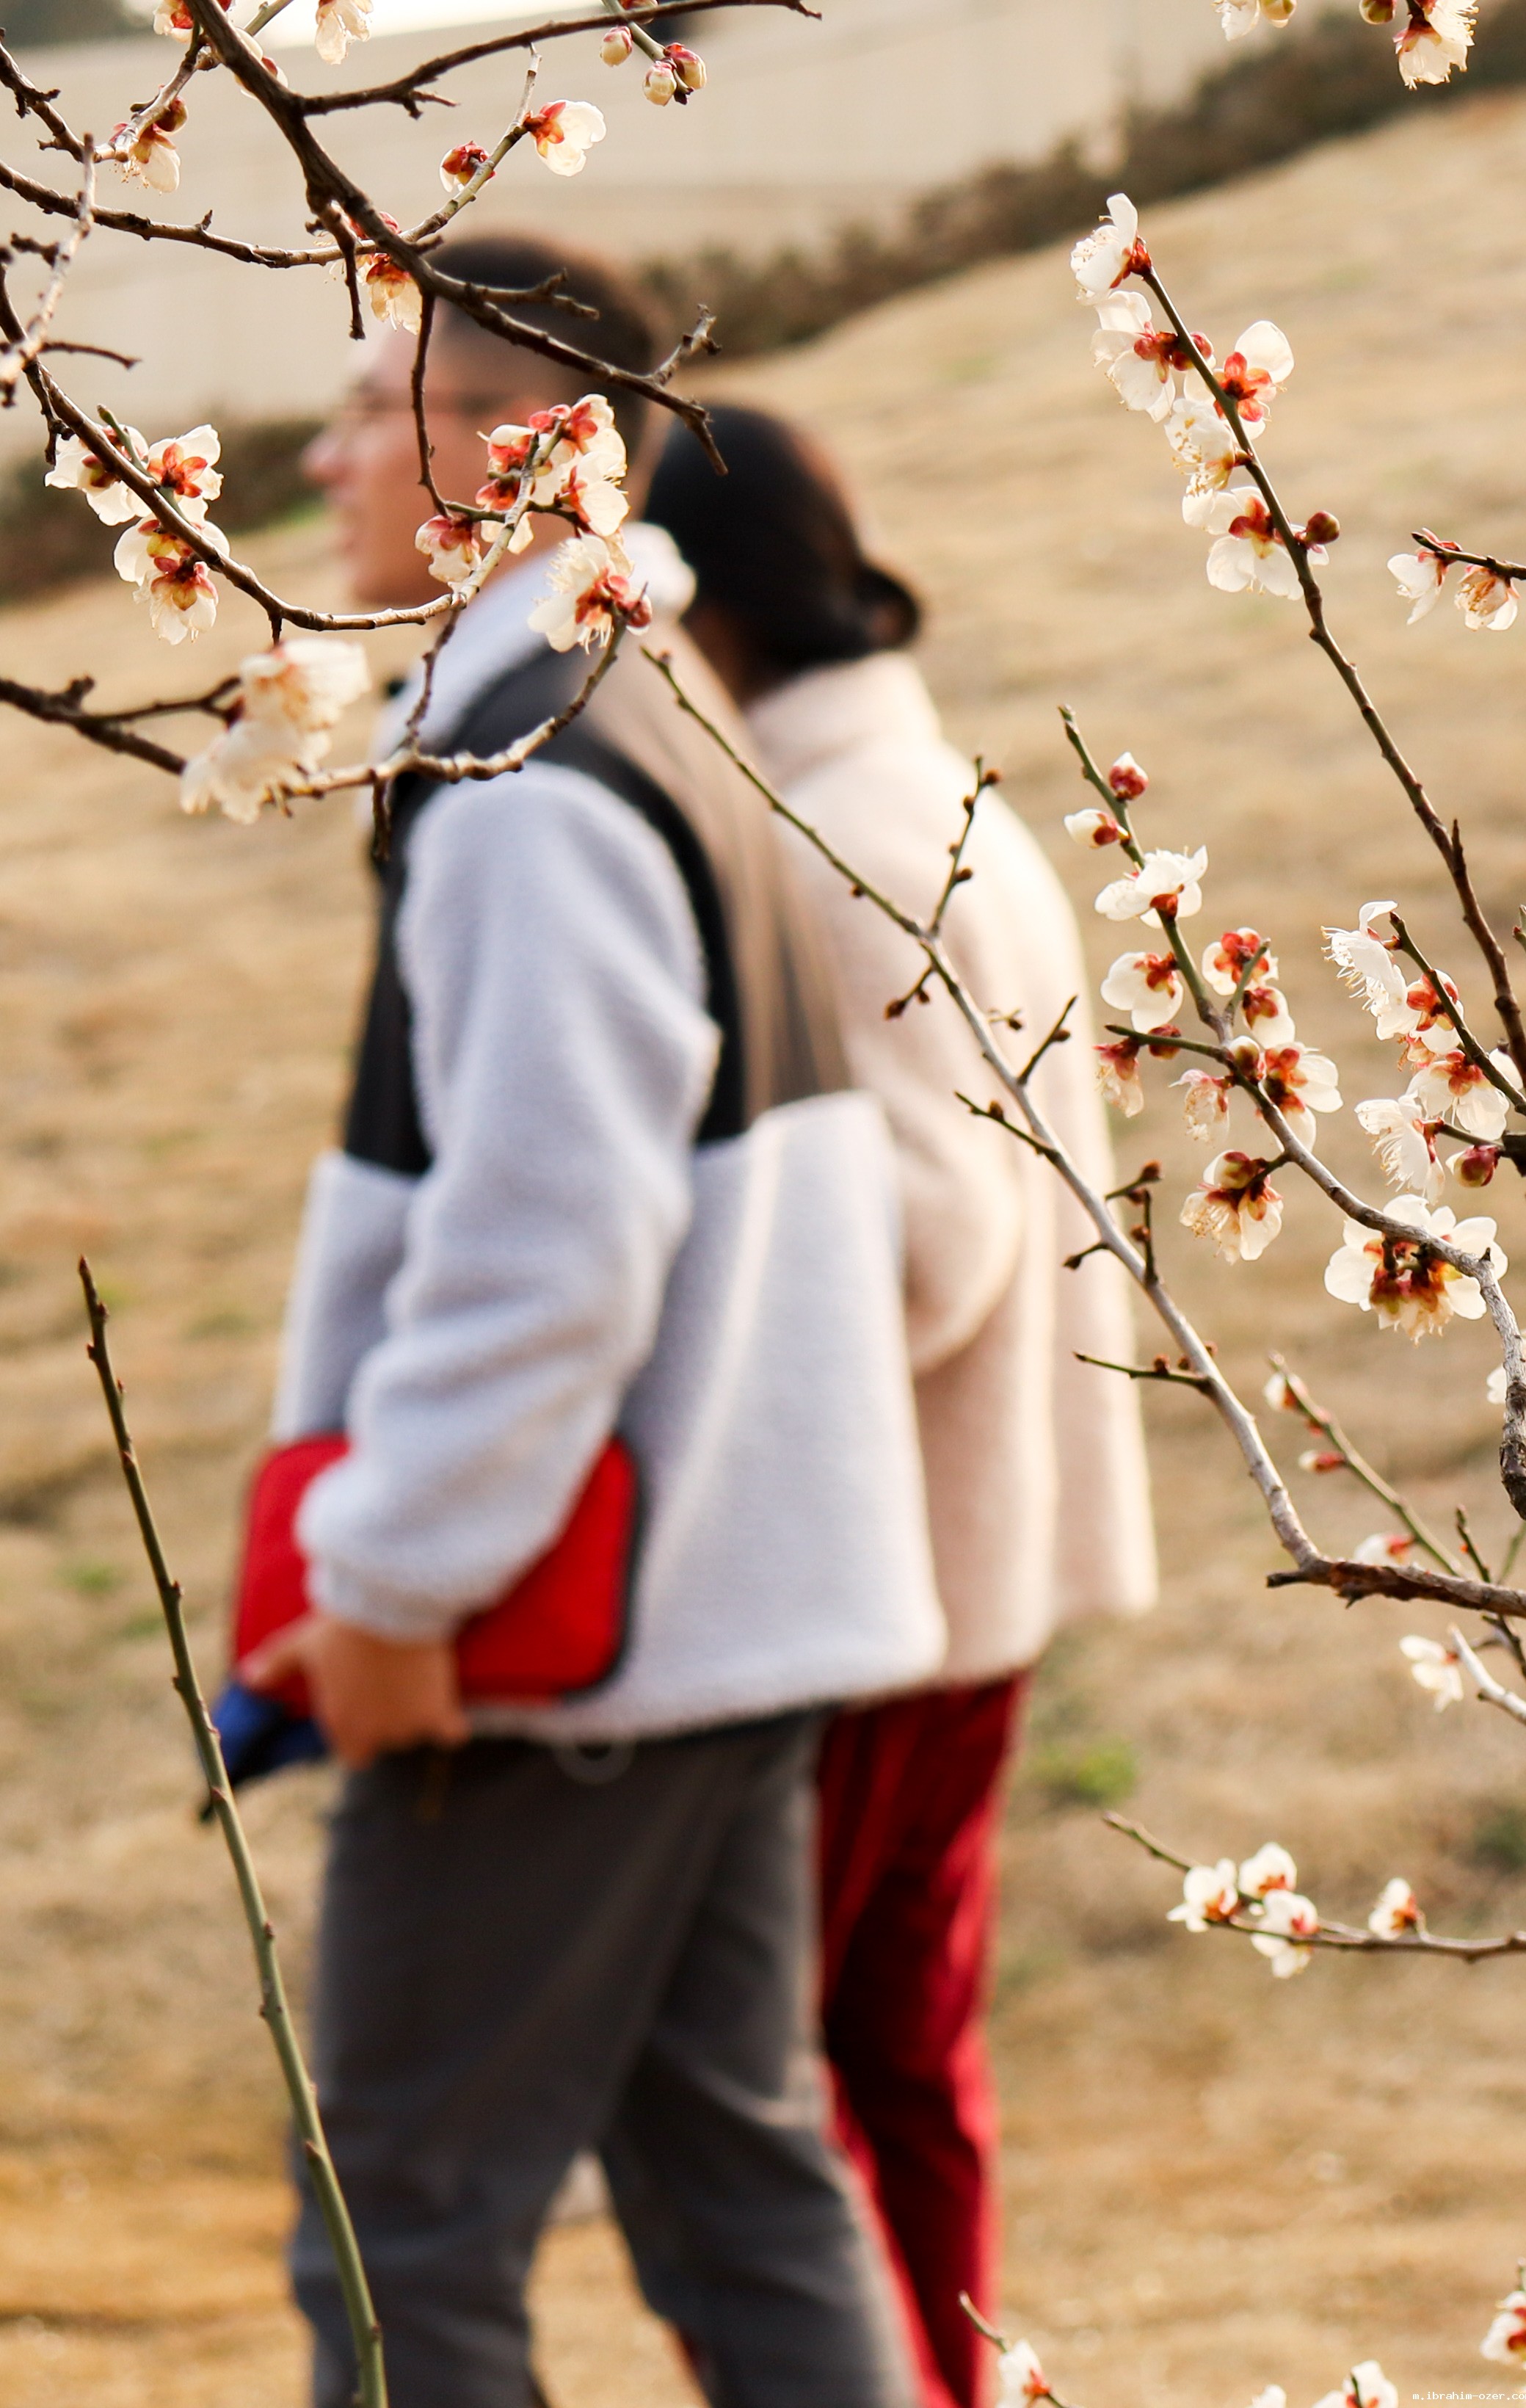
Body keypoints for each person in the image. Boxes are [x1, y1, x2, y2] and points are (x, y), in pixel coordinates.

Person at [254, 237, 951, 2408]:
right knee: (743, 2190)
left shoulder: (528, 778)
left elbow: (549, 1242)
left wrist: (394, 1579)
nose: (324, 456)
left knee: (401, 2221)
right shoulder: (639, 698)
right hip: (723, 1595)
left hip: (567, 1638)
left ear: (521, 444)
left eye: (373, 406)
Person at [647, 404, 1157, 2408]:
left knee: (756, 2086)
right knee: (896, 2056)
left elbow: (936, 1227)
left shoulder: (829, 838)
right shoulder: (924, 794)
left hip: (881, 1575)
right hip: (977, 1561)